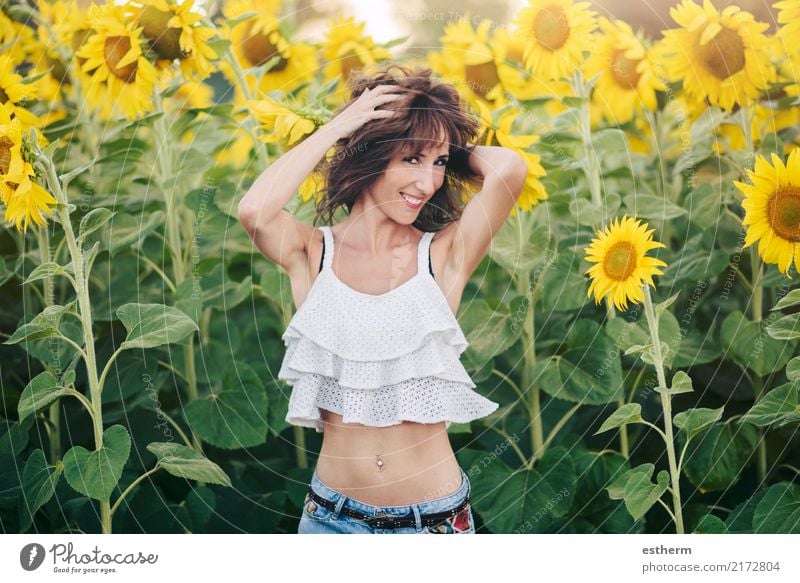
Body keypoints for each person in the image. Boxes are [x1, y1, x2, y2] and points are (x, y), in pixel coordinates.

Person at [238, 64, 528, 534]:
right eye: (412, 160)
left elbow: (510, 167)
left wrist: (439, 141)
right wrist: (340, 128)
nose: (429, 183)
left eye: (438, 165)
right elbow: (254, 209)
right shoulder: (312, 253)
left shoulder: (442, 255)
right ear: (369, 154)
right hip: (331, 522)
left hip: (431, 526)